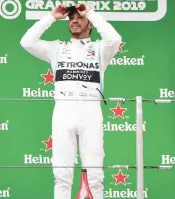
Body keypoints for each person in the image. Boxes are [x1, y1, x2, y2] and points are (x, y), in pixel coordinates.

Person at [20, 3, 121, 199]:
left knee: (95, 176)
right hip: (63, 113)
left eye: (79, 17)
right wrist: (51, 17)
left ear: (89, 24)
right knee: (62, 175)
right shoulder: (57, 48)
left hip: (90, 113)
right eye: (71, 17)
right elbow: (27, 42)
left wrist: (91, 13)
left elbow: (115, 39)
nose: (74, 20)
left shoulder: (100, 49)